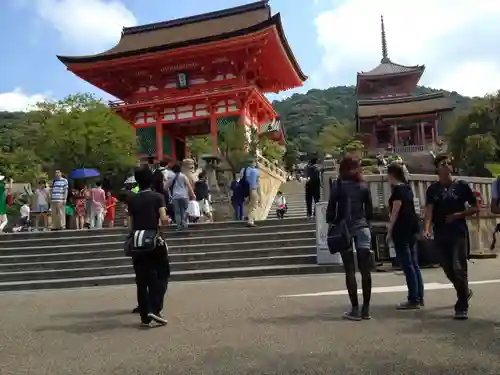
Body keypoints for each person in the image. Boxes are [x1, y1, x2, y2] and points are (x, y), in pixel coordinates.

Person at [424, 154, 478, 320]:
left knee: (459, 267)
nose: (447, 165)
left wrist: (459, 214)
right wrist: (427, 229)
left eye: (449, 163)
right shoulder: (433, 189)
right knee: (447, 266)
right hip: (441, 231)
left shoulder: (462, 186)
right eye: (443, 163)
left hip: (458, 231)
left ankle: (462, 304)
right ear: (437, 168)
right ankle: (464, 291)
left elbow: (475, 207)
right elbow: (429, 211)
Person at [326, 156, 373, 321]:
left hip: (344, 229)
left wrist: (332, 222)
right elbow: (370, 211)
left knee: (350, 269)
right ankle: (366, 309)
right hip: (363, 228)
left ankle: (355, 309)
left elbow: (331, 210)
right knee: (365, 270)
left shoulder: (338, 185)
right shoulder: (363, 185)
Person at [127, 167, 170, 328]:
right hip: (153, 240)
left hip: (137, 242)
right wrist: (165, 224)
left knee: (141, 279)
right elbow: (164, 219)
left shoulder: (132, 200)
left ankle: (145, 316)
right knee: (162, 274)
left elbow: (129, 225)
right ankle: (155, 309)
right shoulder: (158, 197)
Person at [386, 163, 423, 309]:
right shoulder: (408, 188)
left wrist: (389, 231)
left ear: (391, 175)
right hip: (412, 228)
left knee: (407, 265)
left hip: (401, 229)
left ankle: (413, 298)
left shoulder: (398, 190)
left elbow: (395, 212)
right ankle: (419, 296)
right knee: (414, 264)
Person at [166, 163, 195, 231]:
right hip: (184, 196)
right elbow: (189, 186)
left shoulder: (172, 177)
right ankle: (184, 223)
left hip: (175, 197)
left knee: (177, 212)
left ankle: (179, 226)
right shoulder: (183, 176)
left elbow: (165, 187)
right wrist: (193, 194)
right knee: (185, 210)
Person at [240, 159, 260, 227]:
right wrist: (259, 194)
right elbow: (258, 183)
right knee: (253, 206)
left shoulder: (243, 170)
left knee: (247, 204)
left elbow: (241, 179)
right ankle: (250, 221)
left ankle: (246, 216)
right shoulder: (255, 171)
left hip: (245, 190)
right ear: (254, 163)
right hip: (253, 189)